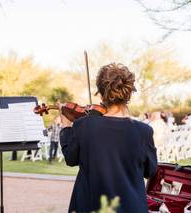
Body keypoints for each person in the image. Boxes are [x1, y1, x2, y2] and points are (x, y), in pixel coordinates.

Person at [59, 63, 157, 213]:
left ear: (101, 92)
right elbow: (150, 171)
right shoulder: (144, 131)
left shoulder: (83, 125)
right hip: (131, 207)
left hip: (91, 207)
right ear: (129, 93)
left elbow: (71, 159)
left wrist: (66, 127)